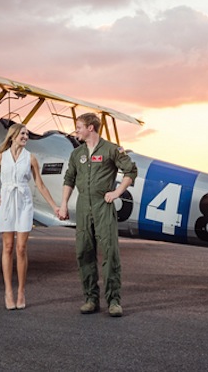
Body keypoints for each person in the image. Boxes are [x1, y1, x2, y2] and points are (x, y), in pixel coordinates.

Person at [57, 112, 138, 317]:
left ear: (90, 128)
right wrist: (64, 204)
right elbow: (69, 179)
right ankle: (91, 299)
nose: (76, 131)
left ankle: (114, 301)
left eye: (79, 127)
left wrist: (117, 192)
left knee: (110, 253)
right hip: (83, 205)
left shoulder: (111, 150)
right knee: (84, 252)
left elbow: (131, 170)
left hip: (103, 205)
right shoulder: (77, 154)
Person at [0, 122, 58, 311]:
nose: (26, 137)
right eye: (23, 134)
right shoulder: (1, 157)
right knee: (8, 247)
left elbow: (40, 185)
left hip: (24, 203)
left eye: (27, 134)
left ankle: (21, 291)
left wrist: (54, 207)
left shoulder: (30, 158)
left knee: (21, 247)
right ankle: (8, 291)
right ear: (13, 136)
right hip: (7, 203)